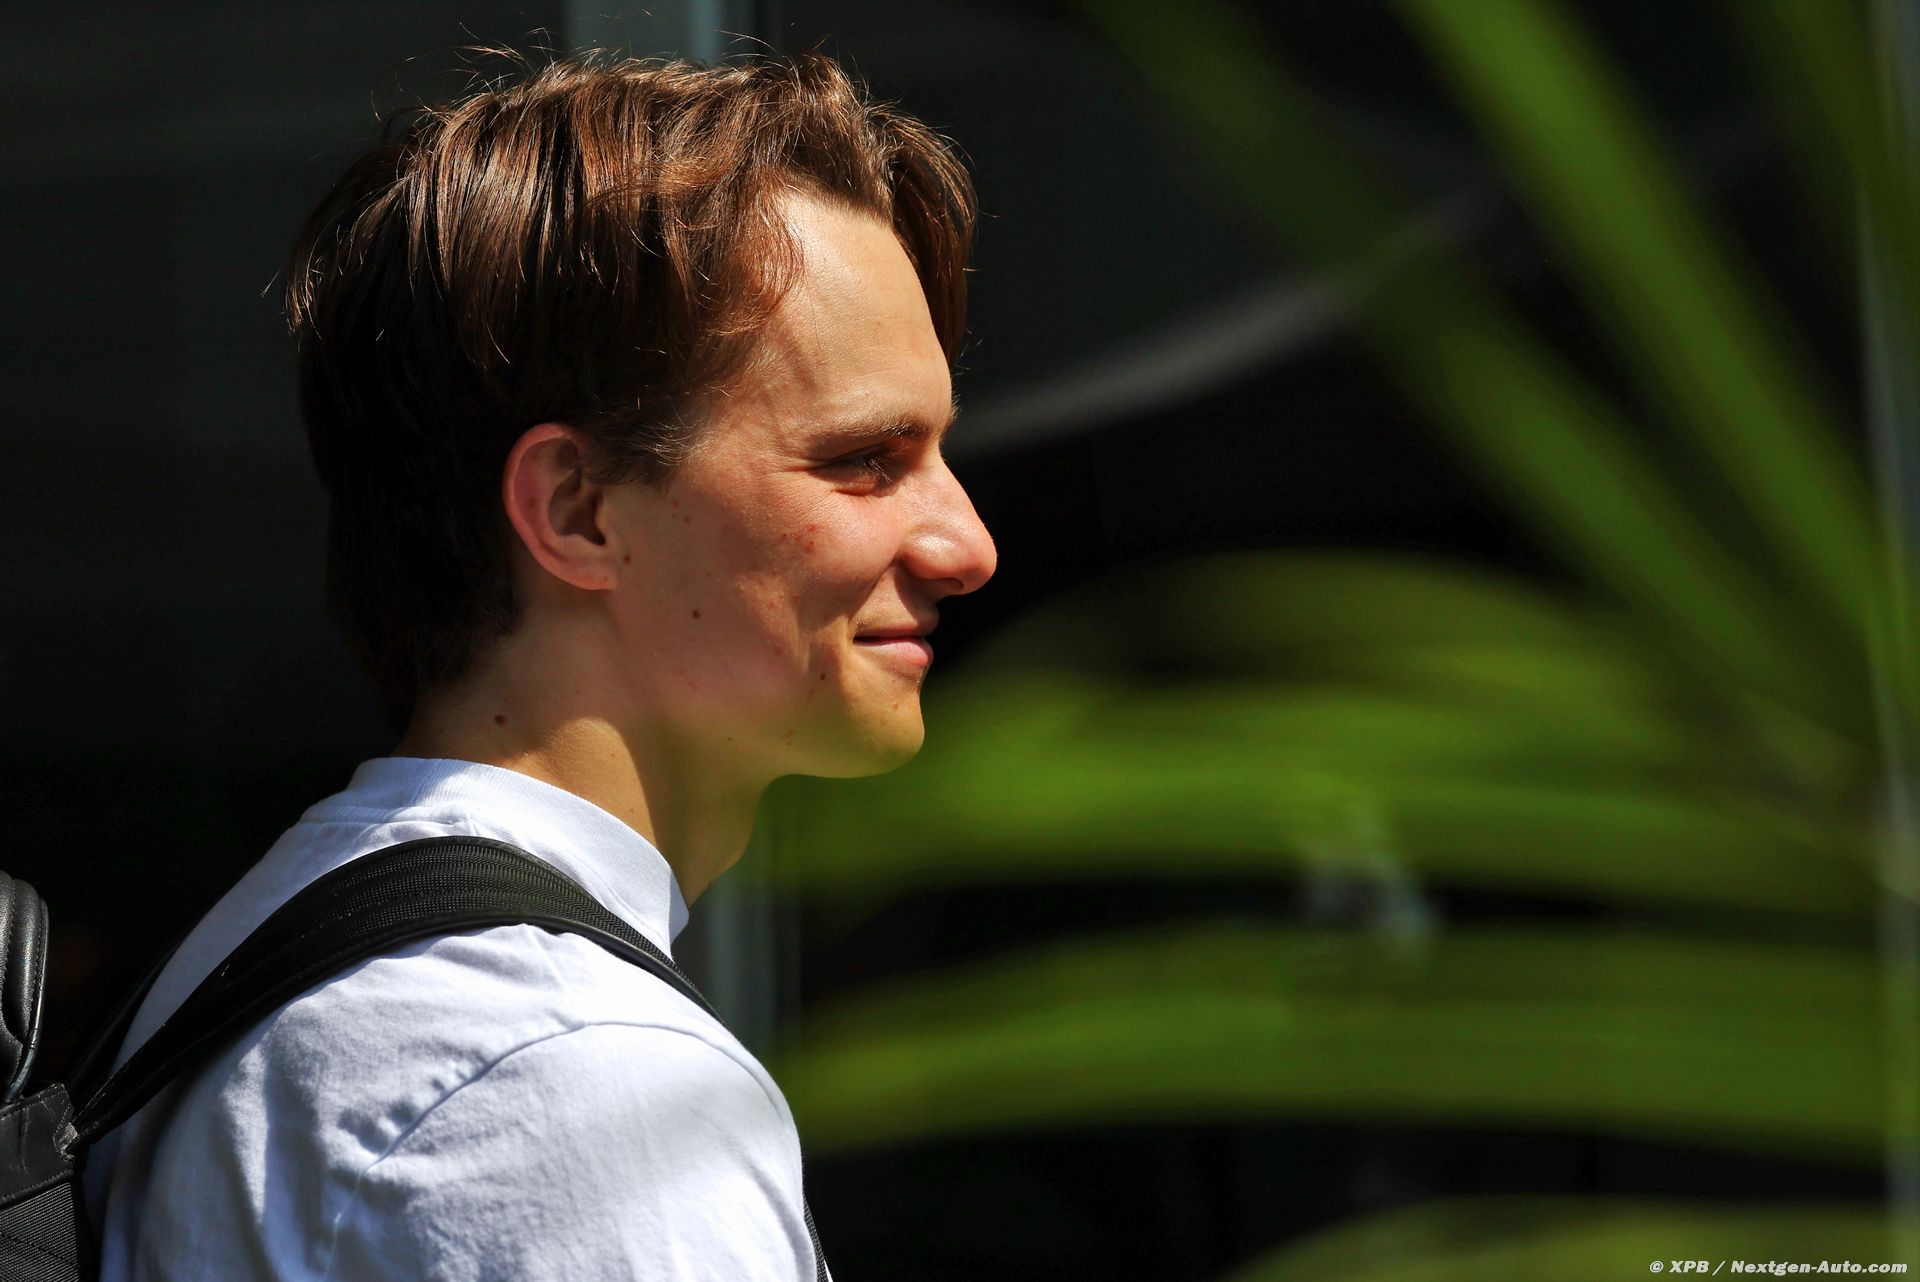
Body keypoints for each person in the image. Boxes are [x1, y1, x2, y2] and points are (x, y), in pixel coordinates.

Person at [82, 50, 995, 1281]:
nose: (966, 544)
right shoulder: (567, 1078)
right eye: (864, 461)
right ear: (577, 510)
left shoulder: (277, 948)